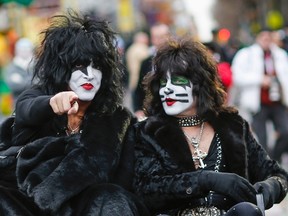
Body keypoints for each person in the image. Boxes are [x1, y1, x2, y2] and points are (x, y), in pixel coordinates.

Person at [0, 10, 148, 216]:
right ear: (61, 68)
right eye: (79, 65)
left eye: (96, 66)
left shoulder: (117, 118)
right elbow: (27, 109)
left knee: (113, 196)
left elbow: (124, 179)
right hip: (28, 201)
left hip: (89, 206)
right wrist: (51, 103)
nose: (89, 75)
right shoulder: (38, 96)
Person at [128, 37, 288, 216]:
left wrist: (270, 188)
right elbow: (145, 190)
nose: (168, 89)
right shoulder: (148, 131)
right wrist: (205, 180)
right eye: (164, 83)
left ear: (200, 84)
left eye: (178, 81)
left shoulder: (232, 126)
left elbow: (277, 174)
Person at [231, 29, 288, 157]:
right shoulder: (246, 54)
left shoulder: (280, 55)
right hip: (257, 103)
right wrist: (259, 79)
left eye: (269, 38)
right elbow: (237, 76)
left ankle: (273, 159)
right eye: (264, 38)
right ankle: (269, 167)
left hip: (278, 102)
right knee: (262, 140)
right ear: (258, 38)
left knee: (285, 132)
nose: (266, 41)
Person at [133, 23, 170, 120]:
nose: (159, 40)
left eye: (162, 37)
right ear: (152, 39)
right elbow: (139, 88)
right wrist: (138, 109)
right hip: (151, 113)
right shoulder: (146, 62)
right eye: (156, 37)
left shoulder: (177, 61)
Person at [3, 37, 34, 103]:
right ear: (17, 50)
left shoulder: (37, 64)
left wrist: (22, 81)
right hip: (17, 103)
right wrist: (32, 81)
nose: (24, 51)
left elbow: (41, 82)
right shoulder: (11, 67)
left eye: (27, 48)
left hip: (35, 102)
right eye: (22, 49)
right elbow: (12, 86)